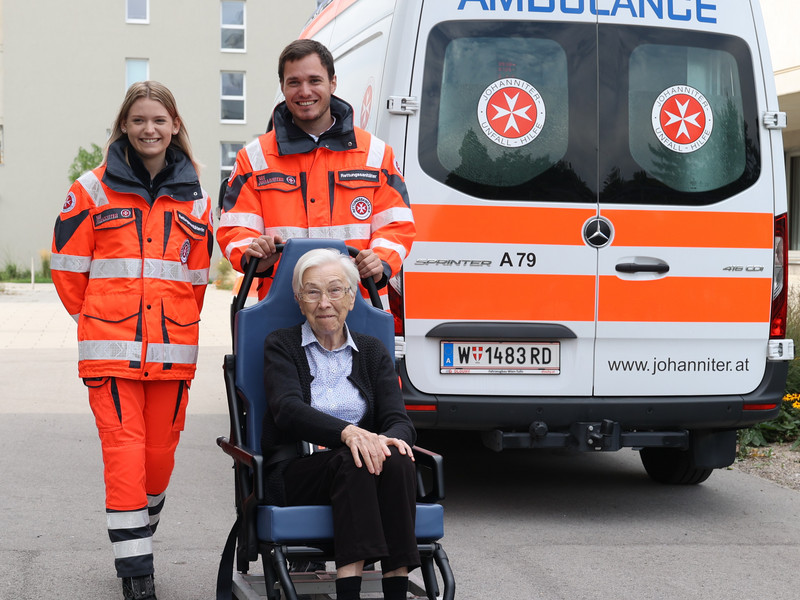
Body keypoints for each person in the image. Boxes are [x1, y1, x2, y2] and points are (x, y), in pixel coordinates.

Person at [50, 81, 213, 600]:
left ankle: (135, 534)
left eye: (159, 121)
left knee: (158, 461)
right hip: (110, 352)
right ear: (123, 125)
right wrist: (100, 319)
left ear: (175, 127)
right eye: (139, 120)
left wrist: (178, 323)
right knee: (124, 455)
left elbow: (197, 279)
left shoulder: (197, 197)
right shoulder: (91, 190)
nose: (149, 129)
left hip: (173, 354)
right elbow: (68, 270)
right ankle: (136, 574)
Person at [262, 248, 419, 600]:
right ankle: (349, 591)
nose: (324, 303)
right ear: (299, 301)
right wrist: (347, 433)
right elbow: (286, 409)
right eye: (312, 292)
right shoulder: (282, 345)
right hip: (299, 471)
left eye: (335, 290)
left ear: (351, 297)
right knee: (355, 458)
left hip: (360, 465)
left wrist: (388, 441)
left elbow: (399, 420)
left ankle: (396, 590)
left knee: (397, 459)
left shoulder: (373, 350)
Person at [216, 39, 415, 304]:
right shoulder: (253, 158)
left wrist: (380, 260)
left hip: (358, 303)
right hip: (282, 306)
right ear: (283, 87)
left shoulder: (376, 154)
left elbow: (397, 225)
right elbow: (235, 230)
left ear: (333, 82)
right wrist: (254, 252)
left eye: (314, 80)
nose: (304, 91)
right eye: (294, 82)